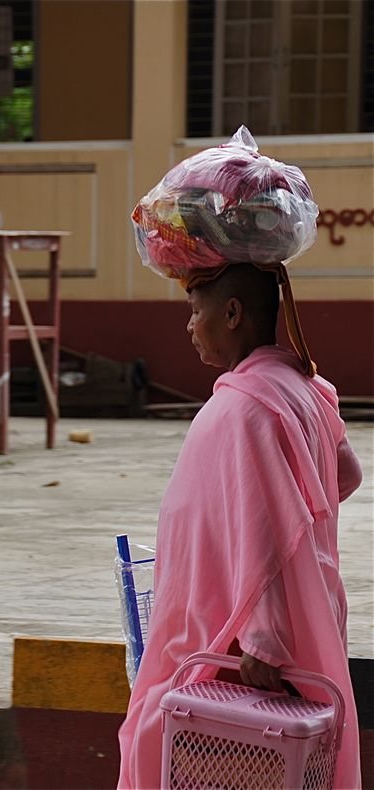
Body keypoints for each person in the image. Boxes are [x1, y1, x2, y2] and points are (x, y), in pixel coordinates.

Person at [116, 260, 364, 788]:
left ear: (231, 313)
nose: (189, 325)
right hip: (310, 611)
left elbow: (266, 530)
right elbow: (345, 475)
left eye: (195, 310)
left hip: (243, 644)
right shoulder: (306, 387)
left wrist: (263, 641)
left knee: (189, 756)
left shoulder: (245, 408)